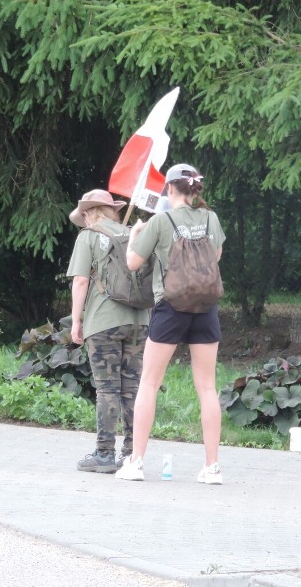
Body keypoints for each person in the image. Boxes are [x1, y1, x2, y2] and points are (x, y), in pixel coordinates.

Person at [115, 163, 226, 484]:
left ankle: (135, 463)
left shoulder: (161, 221)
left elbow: (133, 263)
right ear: (194, 189)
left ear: (169, 189)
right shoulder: (211, 218)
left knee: (148, 383)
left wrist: (136, 234)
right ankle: (212, 468)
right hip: (205, 309)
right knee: (207, 387)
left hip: (170, 307)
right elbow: (214, 257)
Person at [66, 189, 151, 473]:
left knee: (107, 388)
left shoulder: (88, 236)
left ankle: (104, 453)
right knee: (132, 389)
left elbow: (80, 281)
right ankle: (130, 454)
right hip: (140, 321)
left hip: (103, 322)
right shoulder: (133, 235)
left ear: (89, 213)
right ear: (112, 210)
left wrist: (76, 321)